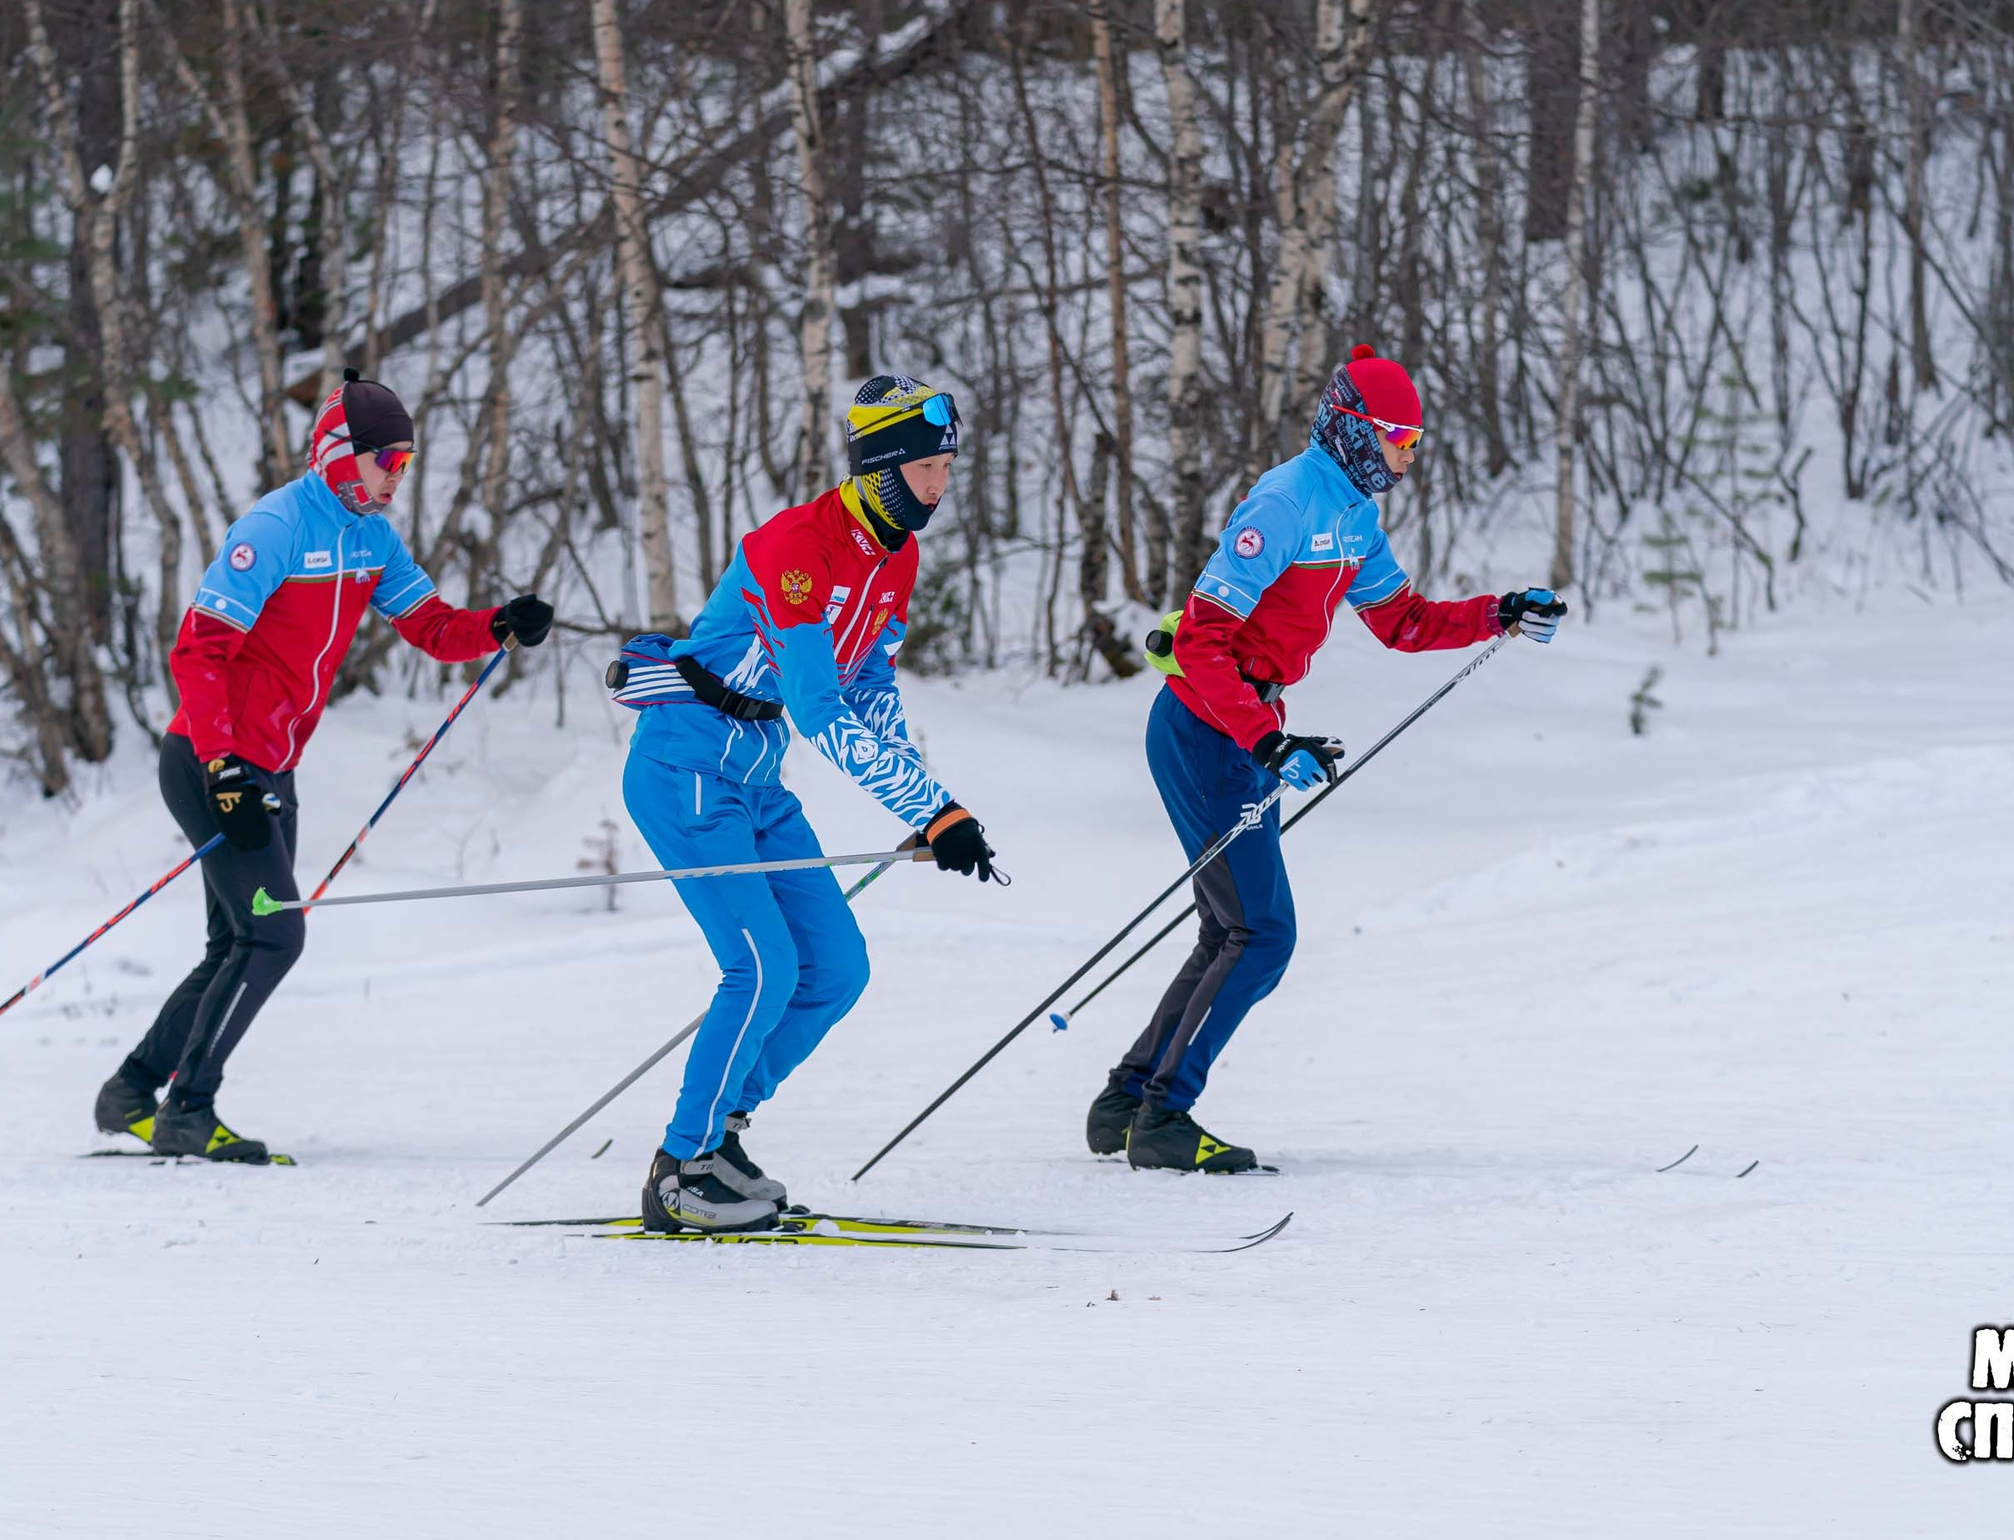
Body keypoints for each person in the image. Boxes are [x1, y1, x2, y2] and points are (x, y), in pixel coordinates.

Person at [1089, 346, 1565, 1173]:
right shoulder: (1282, 504)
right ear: (1352, 431)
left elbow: (1403, 621)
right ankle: (1163, 1117)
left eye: (1415, 443)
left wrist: (1500, 611)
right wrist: (1266, 739)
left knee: (1232, 928)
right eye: (1398, 440)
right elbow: (1200, 640)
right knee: (1263, 933)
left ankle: (1127, 1101)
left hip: (1245, 730)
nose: (1408, 458)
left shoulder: (1353, 516)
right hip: (1208, 731)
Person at [94, 372, 553, 1162]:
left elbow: (431, 625)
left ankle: (132, 1090)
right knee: (275, 936)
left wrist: (497, 623)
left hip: (272, 765)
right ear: (343, 455)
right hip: (212, 761)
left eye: (406, 463)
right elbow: (199, 650)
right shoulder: (272, 528)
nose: (397, 477)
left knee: (239, 940)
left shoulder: (373, 539)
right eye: (388, 461)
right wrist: (223, 766)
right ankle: (187, 1111)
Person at [610, 374, 1003, 1232]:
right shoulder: (795, 547)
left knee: (835, 968)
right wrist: (932, 804)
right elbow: (820, 708)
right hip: (687, 770)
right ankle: (678, 1170)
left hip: (755, 775)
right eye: (928, 466)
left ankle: (722, 1135)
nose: (940, 484)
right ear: (881, 467)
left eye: (948, 467)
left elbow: (869, 683)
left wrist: (925, 802)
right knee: (762, 968)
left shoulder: (897, 553)